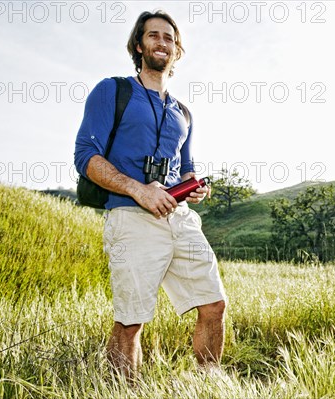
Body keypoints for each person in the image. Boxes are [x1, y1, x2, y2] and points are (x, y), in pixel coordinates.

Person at [74, 10, 226, 378]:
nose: (163, 42)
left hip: (180, 219)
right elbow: (85, 156)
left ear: (177, 50)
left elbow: (184, 166)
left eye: (169, 38)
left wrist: (193, 186)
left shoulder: (183, 113)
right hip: (130, 216)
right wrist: (138, 190)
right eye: (154, 35)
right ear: (139, 45)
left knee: (214, 304)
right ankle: (121, 389)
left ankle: (206, 384)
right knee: (131, 321)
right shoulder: (112, 90)